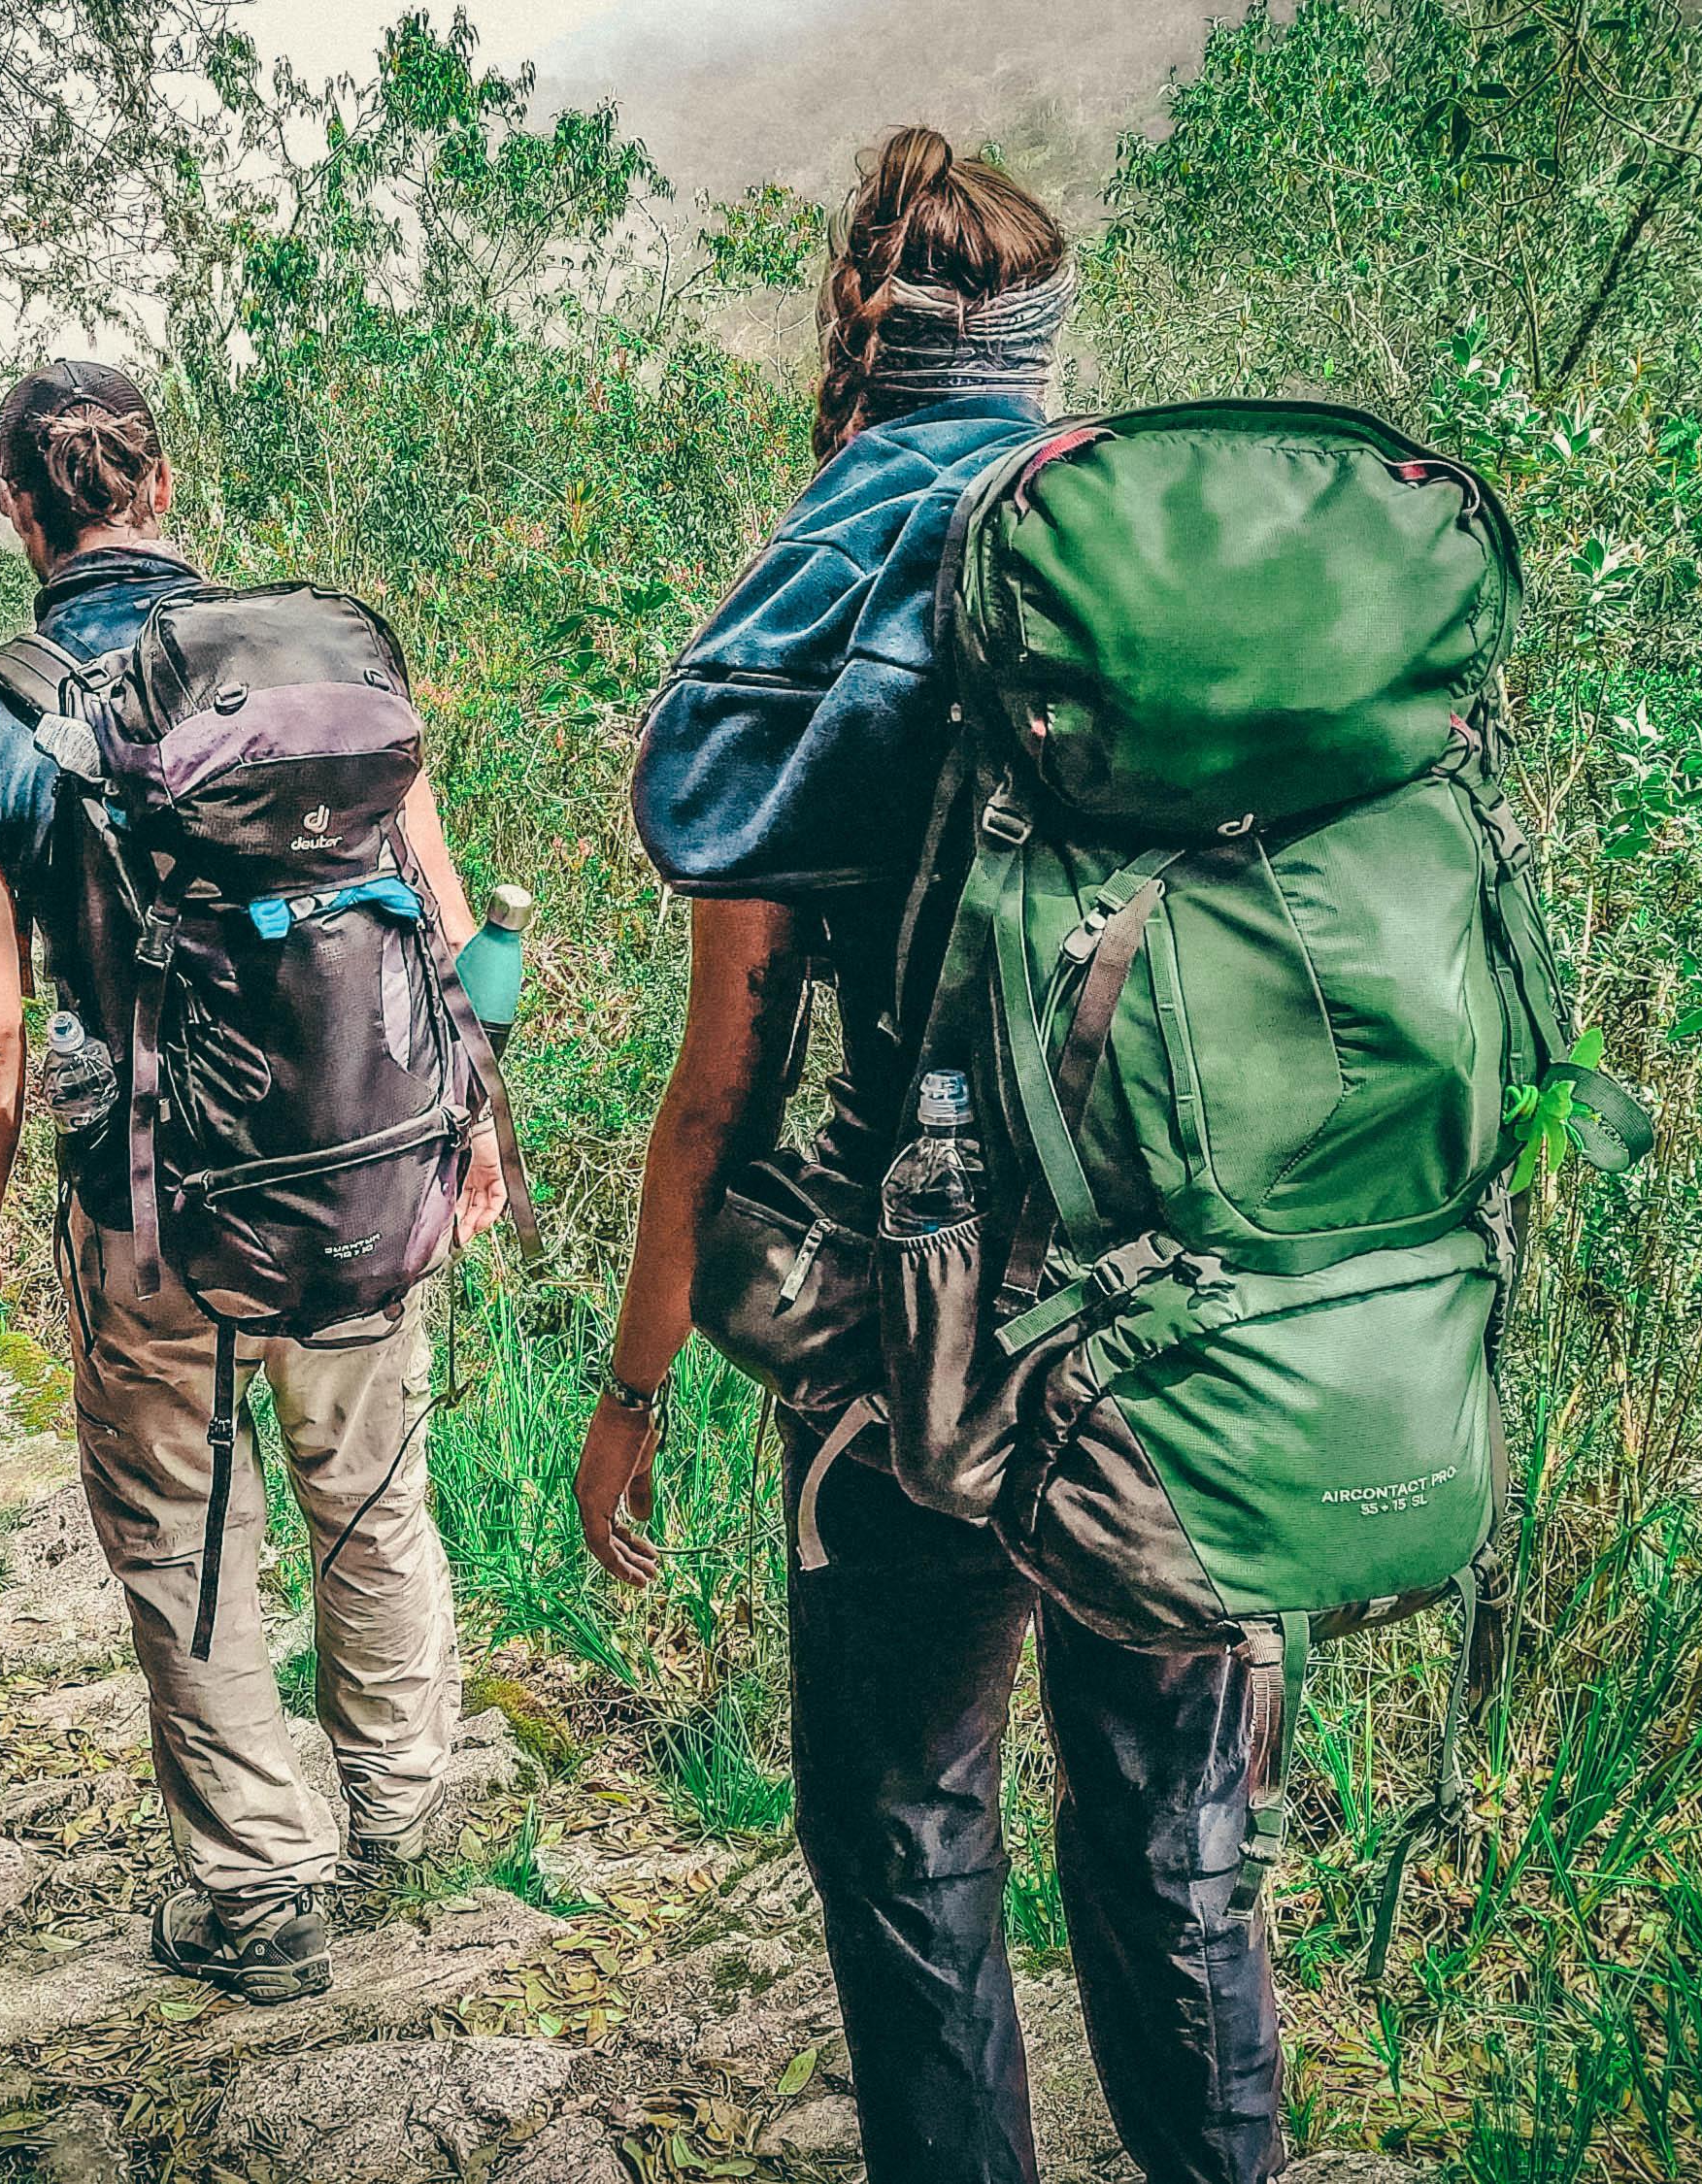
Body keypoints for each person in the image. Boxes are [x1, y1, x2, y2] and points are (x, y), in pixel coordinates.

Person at [578, 130, 1285, 2184]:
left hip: (913, 1341)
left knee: (907, 1830)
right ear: (1047, 350)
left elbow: (719, 1084)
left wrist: (631, 1389)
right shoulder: (1178, 589)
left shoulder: (814, 600)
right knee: (1174, 1835)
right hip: (1187, 1327)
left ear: (853, 349)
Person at [0, 360, 505, 2004]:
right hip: (362, 1164)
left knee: (183, 1528)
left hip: (144, 1197)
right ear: (159, 489)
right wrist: (477, 1124)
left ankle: (259, 1889)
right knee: (372, 1488)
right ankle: (399, 1802)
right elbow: (435, 920)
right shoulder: (311, 663)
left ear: (18, 510)